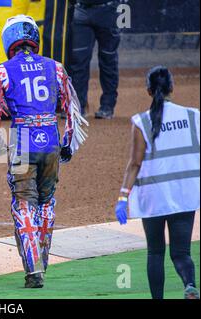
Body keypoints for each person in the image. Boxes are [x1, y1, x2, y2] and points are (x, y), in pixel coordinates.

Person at [0, 15, 88, 288]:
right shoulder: (56, 67)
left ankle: (33, 269)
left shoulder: (2, 70)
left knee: (23, 203)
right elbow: (71, 109)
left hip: (22, 143)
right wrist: (68, 142)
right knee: (47, 201)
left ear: (9, 40)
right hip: (51, 141)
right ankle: (42, 259)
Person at [115, 66, 200, 299]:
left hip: (153, 197)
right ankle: (189, 284)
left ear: (148, 91)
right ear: (172, 87)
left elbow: (134, 163)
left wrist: (123, 197)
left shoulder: (142, 121)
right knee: (181, 252)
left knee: (155, 252)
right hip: (184, 195)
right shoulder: (194, 116)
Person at [69, 0, 120, 119]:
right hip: (81, 11)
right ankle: (79, 106)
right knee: (78, 62)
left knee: (108, 60)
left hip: (109, 11)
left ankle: (107, 106)